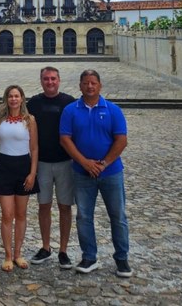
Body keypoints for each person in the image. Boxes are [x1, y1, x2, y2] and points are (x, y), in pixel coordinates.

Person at [59, 69, 133, 277]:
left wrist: (104, 163)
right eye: (86, 83)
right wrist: (84, 162)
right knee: (84, 216)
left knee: (117, 216)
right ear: (80, 86)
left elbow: (121, 140)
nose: (89, 86)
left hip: (111, 172)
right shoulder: (71, 110)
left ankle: (122, 258)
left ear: (100, 85)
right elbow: (65, 139)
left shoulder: (113, 110)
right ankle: (89, 256)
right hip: (82, 173)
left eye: (93, 83)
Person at [27, 66, 76, 269]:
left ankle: (63, 250)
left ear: (59, 80)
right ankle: (46, 246)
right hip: (43, 162)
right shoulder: (34, 103)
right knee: (44, 205)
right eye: (46, 79)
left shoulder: (69, 102)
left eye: (53, 79)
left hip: (65, 162)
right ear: (41, 81)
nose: (50, 82)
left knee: (65, 206)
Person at [0, 85, 39, 272]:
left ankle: (18, 253)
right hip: (4, 167)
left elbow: (34, 148)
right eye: (10, 96)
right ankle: (8, 255)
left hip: (23, 168)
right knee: (7, 214)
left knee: (21, 214)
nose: (13, 99)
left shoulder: (30, 120)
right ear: (6, 99)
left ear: (22, 99)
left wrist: (32, 173)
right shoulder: (0, 119)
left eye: (16, 96)